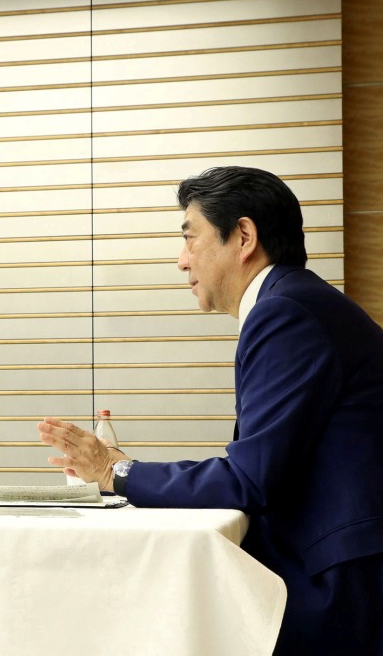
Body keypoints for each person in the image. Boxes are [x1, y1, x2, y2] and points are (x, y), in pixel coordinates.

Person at [37, 166, 383, 656]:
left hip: (340, 585)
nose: (182, 261)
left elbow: (251, 480)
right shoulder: (297, 302)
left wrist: (117, 470)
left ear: (243, 236)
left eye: (189, 238)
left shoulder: (285, 314)